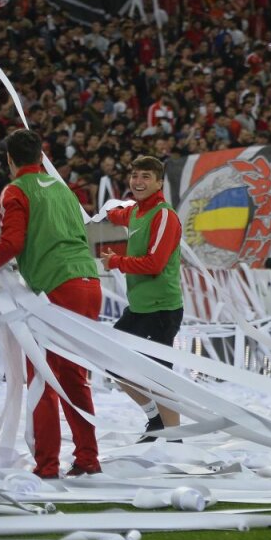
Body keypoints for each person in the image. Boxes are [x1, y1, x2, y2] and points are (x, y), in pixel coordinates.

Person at [0, 129, 102, 478]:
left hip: (55, 288)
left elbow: (11, 243)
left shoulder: (15, 191)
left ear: (10, 160)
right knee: (73, 377)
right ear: (42, 156)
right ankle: (87, 458)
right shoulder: (64, 190)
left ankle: (47, 465)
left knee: (42, 377)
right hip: (89, 281)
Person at [101, 156, 184, 442]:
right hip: (139, 308)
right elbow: (120, 214)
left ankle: (175, 439)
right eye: (135, 175)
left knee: (159, 375)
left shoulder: (164, 215)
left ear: (160, 182)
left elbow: (155, 264)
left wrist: (116, 262)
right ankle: (156, 420)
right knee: (110, 360)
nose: (138, 181)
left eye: (146, 176)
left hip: (161, 308)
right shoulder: (136, 211)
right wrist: (103, 213)